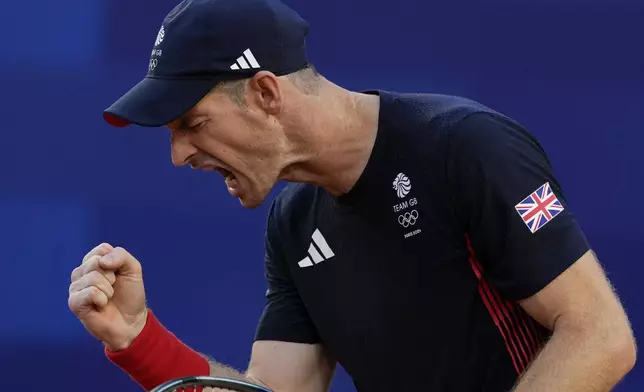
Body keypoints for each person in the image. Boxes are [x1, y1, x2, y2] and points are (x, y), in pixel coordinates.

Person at [68, 0, 637, 391]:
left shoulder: (464, 147)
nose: (179, 155)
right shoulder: (292, 224)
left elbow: (601, 337)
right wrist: (137, 338)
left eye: (191, 123)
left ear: (266, 93)